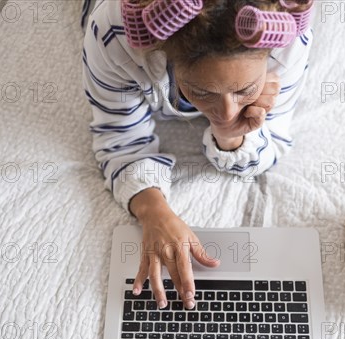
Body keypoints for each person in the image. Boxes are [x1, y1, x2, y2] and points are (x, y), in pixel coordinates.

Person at [82, 0, 314, 310]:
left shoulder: (288, 37)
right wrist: (154, 212)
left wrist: (231, 134)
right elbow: (118, 138)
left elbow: (272, 143)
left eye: (244, 90)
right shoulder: (114, 33)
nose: (227, 112)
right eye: (202, 92)